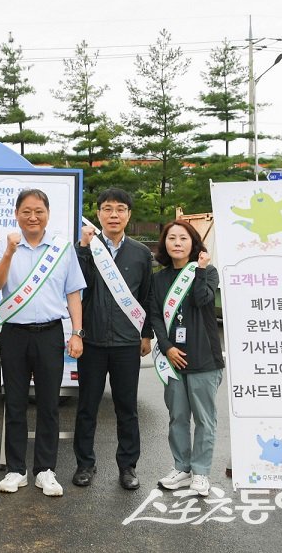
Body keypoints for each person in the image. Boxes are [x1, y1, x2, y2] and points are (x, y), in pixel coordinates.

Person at [0, 189, 85, 496]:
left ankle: (45, 470)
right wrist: (8, 253)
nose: (33, 216)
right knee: (14, 403)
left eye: (38, 211)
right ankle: (17, 470)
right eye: (26, 211)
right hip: (14, 334)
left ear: (48, 214)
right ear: (16, 214)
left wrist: (77, 333)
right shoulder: (5, 247)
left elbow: (73, 293)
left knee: (48, 405)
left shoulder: (61, 248)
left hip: (50, 333)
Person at [72, 188, 154, 490]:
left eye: (120, 209)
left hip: (126, 343)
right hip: (92, 341)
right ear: (98, 214)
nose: (114, 215)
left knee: (126, 407)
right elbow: (75, 287)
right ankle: (85, 464)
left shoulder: (141, 253)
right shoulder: (87, 248)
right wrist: (83, 248)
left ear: (129, 215)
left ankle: (128, 467)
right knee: (87, 407)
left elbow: (147, 297)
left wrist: (146, 335)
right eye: (107, 209)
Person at [150, 220, 223, 497]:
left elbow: (203, 300)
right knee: (177, 416)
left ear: (193, 243)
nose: (177, 243)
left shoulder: (207, 272)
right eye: (171, 238)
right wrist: (166, 346)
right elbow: (155, 314)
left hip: (204, 358)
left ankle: (201, 472)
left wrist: (201, 270)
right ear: (164, 244)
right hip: (173, 359)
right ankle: (182, 468)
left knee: (205, 419)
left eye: (183, 238)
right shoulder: (158, 278)